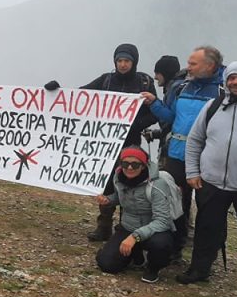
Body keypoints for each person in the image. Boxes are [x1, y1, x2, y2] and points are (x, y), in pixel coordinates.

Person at [45, 43, 158, 241]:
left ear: (134, 62)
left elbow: (154, 112)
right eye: (119, 61)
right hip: (106, 144)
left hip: (130, 145)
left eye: (127, 61)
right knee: (106, 183)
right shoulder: (106, 80)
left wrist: (136, 124)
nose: (123, 65)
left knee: (129, 182)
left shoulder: (145, 82)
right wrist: (58, 91)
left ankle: (126, 227)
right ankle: (104, 226)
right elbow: (81, 96)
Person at [178, 60, 237, 297]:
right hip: (212, 181)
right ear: (226, 81)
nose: (236, 82)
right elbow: (195, 140)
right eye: (231, 78)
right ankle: (199, 270)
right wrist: (192, 172)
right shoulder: (213, 106)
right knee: (206, 228)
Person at [141, 46, 225, 260]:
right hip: (177, 154)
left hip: (207, 158)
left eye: (193, 64)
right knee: (172, 201)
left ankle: (203, 259)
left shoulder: (222, 92)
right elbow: (170, 117)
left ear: (210, 66)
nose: (188, 67)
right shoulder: (181, 87)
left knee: (207, 207)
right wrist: (154, 103)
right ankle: (174, 248)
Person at [95, 146, 175, 283]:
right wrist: (108, 201)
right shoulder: (118, 177)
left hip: (153, 230)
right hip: (128, 226)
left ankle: (153, 268)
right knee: (106, 264)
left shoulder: (157, 184)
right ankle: (135, 255)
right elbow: (120, 197)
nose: (130, 168)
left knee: (161, 244)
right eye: (125, 164)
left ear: (143, 166)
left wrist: (135, 236)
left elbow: (162, 220)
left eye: (135, 164)